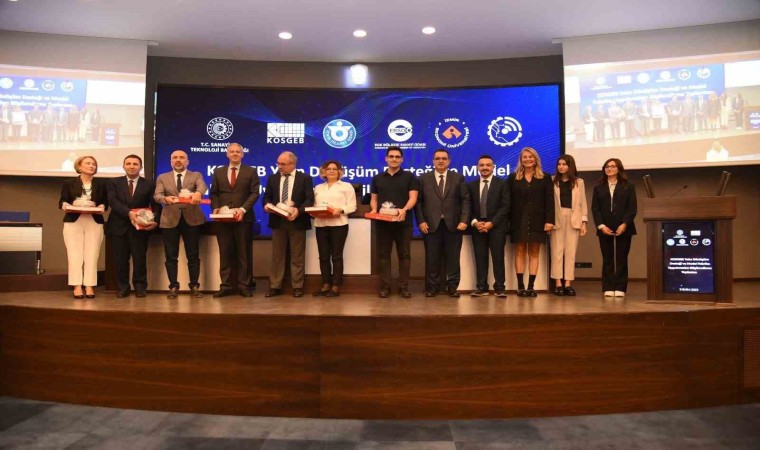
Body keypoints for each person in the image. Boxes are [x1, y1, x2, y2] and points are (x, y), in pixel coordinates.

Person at [414, 149, 470, 298]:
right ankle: (432, 287)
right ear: (433, 161)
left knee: (453, 258)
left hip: (454, 225)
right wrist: (421, 221)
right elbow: (418, 202)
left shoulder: (458, 178)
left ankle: (452, 287)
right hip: (430, 225)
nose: (440, 161)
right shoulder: (423, 178)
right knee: (432, 258)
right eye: (437, 158)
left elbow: (465, 200)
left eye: (444, 158)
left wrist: (464, 220)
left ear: (449, 161)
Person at [210, 143, 261, 298]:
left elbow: (254, 193)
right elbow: (214, 193)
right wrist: (216, 208)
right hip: (223, 220)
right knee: (225, 253)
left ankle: (244, 286)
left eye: (238, 152)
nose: (234, 154)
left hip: (243, 219)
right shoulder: (218, 171)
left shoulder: (250, 171)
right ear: (227, 154)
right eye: (231, 151)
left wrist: (243, 209)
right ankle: (225, 286)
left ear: (242, 154)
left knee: (244, 254)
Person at [154, 150, 207, 299]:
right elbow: (157, 195)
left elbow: (202, 187)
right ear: (171, 161)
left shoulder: (195, 175)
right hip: (169, 220)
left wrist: (198, 193)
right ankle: (173, 286)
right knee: (171, 256)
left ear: (187, 161)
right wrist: (165, 199)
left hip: (192, 219)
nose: (178, 160)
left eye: (182, 158)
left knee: (193, 255)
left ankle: (194, 286)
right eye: (175, 158)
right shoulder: (162, 177)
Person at [263, 151, 314, 298]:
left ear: (293, 164)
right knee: (277, 256)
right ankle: (275, 286)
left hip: (297, 221)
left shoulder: (305, 178)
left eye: (283, 164)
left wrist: (298, 211)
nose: (279, 166)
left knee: (297, 256)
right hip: (277, 221)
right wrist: (266, 205)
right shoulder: (272, 178)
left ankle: (297, 287)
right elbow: (266, 197)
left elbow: (309, 199)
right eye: (278, 163)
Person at [370, 146, 419, 298]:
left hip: (403, 222)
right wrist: (374, 210)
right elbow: (374, 199)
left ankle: (404, 288)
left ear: (402, 159)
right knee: (383, 255)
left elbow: (413, 198)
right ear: (386, 158)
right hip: (383, 223)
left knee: (404, 255)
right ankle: (385, 287)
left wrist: (404, 210)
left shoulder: (409, 177)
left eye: (397, 157)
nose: (394, 159)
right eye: (391, 156)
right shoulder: (377, 178)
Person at [105, 154, 157, 298]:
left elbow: (155, 205)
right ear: (123, 166)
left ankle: (140, 287)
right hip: (118, 227)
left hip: (140, 228)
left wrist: (155, 221)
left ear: (141, 167)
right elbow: (112, 201)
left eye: (135, 164)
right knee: (120, 260)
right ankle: (123, 288)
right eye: (128, 164)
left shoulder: (149, 184)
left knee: (140, 259)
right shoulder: (113, 182)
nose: (132, 166)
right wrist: (129, 213)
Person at [58, 156, 108, 299]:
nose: (92, 166)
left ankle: (89, 285)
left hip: (94, 221)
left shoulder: (101, 184)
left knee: (92, 254)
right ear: (79, 167)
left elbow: (105, 202)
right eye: (88, 163)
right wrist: (66, 206)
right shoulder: (68, 183)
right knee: (74, 254)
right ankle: (77, 286)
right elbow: (62, 201)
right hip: (74, 221)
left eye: (94, 164)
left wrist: (102, 206)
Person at [508, 147, 554, 297]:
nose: (527, 159)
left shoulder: (545, 177)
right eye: (525, 157)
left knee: (534, 252)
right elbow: (508, 201)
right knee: (520, 251)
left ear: (535, 159)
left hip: (538, 220)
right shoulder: (513, 177)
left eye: (530, 157)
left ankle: (531, 287)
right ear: (521, 160)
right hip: (518, 220)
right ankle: (520, 286)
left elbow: (549, 201)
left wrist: (549, 220)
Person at [591, 158, 637, 298]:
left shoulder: (628, 186)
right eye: (607, 166)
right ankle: (608, 286)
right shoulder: (598, 187)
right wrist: (601, 226)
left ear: (619, 169)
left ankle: (620, 287)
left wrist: (624, 224)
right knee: (607, 258)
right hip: (604, 226)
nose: (609, 169)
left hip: (624, 226)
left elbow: (632, 208)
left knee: (622, 258)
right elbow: (595, 209)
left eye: (612, 166)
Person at [312, 160, 357, 297]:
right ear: (323, 172)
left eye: (334, 168)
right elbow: (314, 205)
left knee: (337, 256)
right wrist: (314, 212)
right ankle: (326, 284)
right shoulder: (318, 188)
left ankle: (336, 286)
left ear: (339, 171)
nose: (331, 171)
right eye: (328, 169)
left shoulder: (346, 186)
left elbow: (352, 206)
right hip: (321, 225)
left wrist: (341, 210)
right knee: (323, 256)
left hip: (339, 225)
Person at [467, 155, 510, 297]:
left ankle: (499, 287)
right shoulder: (471, 186)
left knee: (498, 257)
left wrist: (492, 223)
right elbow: (467, 207)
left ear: (493, 167)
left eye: (488, 165)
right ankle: (481, 287)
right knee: (480, 258)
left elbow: (505, 206)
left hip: (496, 226)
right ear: (477, 167)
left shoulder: (502, 183)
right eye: (482, 165)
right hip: (478, 227)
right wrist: (475, 222)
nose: (485, 167)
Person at [549, 155, 588, 296]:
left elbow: (583, 202)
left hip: (573, 217)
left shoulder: (579, 182)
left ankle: (568, 283)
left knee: (571, 253)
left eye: (564, 164)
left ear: (570, 166)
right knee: (557, 252)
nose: (561, 167)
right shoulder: (552, 180)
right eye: (559, 164)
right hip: (557, 218)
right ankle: (558, 283)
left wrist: (584, 222)